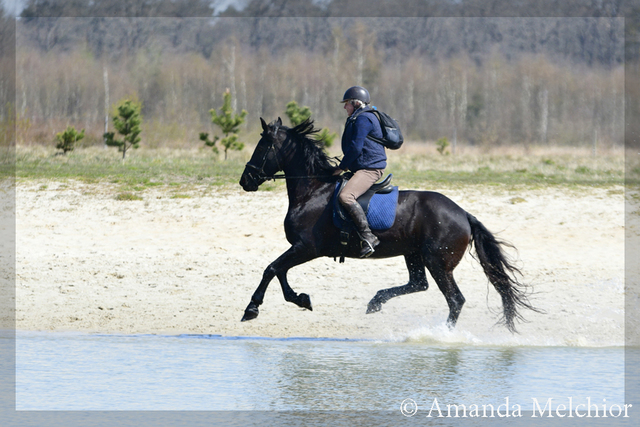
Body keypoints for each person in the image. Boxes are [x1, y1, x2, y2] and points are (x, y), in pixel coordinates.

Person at [335, 85, 387, 257]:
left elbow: (356, 148)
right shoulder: (359, 117)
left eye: (347, 104)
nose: (344, 107)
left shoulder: (364, 118)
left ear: (356, 103)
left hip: (370, 169)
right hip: (362, 166)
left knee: (345, 196)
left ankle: (368, 237)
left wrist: (342, 167)